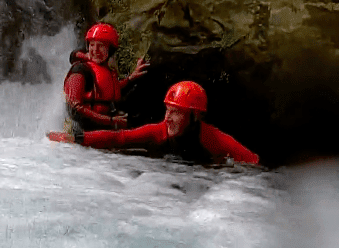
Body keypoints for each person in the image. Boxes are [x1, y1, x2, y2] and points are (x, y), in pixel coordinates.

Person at [48, 80, 260, 165]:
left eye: (176, 112)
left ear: (194, 116)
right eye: (167, 110)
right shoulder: (159, 131)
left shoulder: (212, 138)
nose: (167, 117)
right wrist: (75, 138)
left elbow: (252, 162)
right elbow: (120, 137)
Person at [63, 23, 149, 133]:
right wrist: (110, 120)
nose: (95, 50)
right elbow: (76, 108)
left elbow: (109, 90)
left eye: (101, 45)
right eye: (92, 45)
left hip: (103, 127)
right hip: (82, 130)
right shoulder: (80, 70)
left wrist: (131, 78)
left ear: (110, 50)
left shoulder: (107, 70)